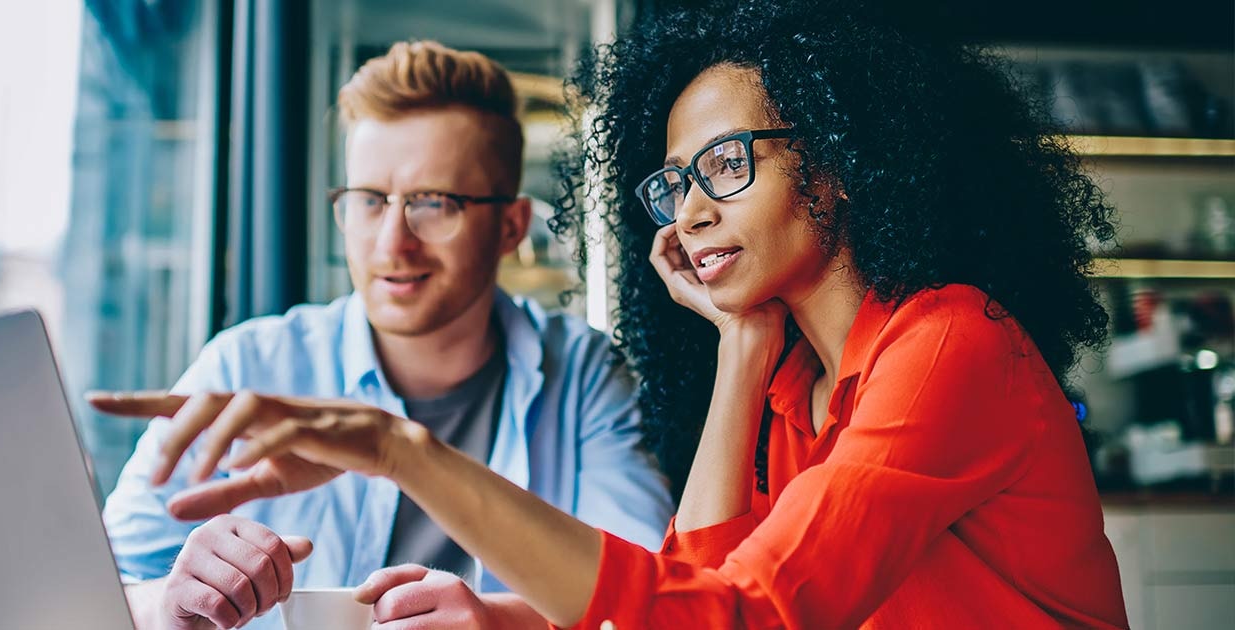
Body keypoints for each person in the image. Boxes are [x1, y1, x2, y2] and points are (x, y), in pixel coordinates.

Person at [91, 1, 1130, 627]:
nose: (690, 212)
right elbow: (691, 588)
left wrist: (403, 452)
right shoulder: (791, 390)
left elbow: (740, 616)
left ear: (839, 164)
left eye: (727, 164)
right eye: (675, 182)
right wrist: (741, 346)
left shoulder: (949, 345)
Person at [97, 40, 674, 630]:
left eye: (434, 204)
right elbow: (99, 587)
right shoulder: (247, 366)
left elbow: (654, 596)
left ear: (511, 226)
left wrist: (498, 623)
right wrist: (169, 601)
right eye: (369, 201)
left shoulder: (581, 374)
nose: (392, 243)